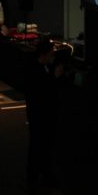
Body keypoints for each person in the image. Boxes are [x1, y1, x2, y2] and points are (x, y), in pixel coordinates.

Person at [26, 39, 66, 185]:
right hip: (39, 114)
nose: (53, 57)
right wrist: (55, 78)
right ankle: (34, 174)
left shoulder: (45, 67)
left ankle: (44, 172)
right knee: (38, 143)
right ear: (44, 54)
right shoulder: (35, 70)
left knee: (46, 144)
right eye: (51, 54)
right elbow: (41, 92)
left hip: (46, 113)